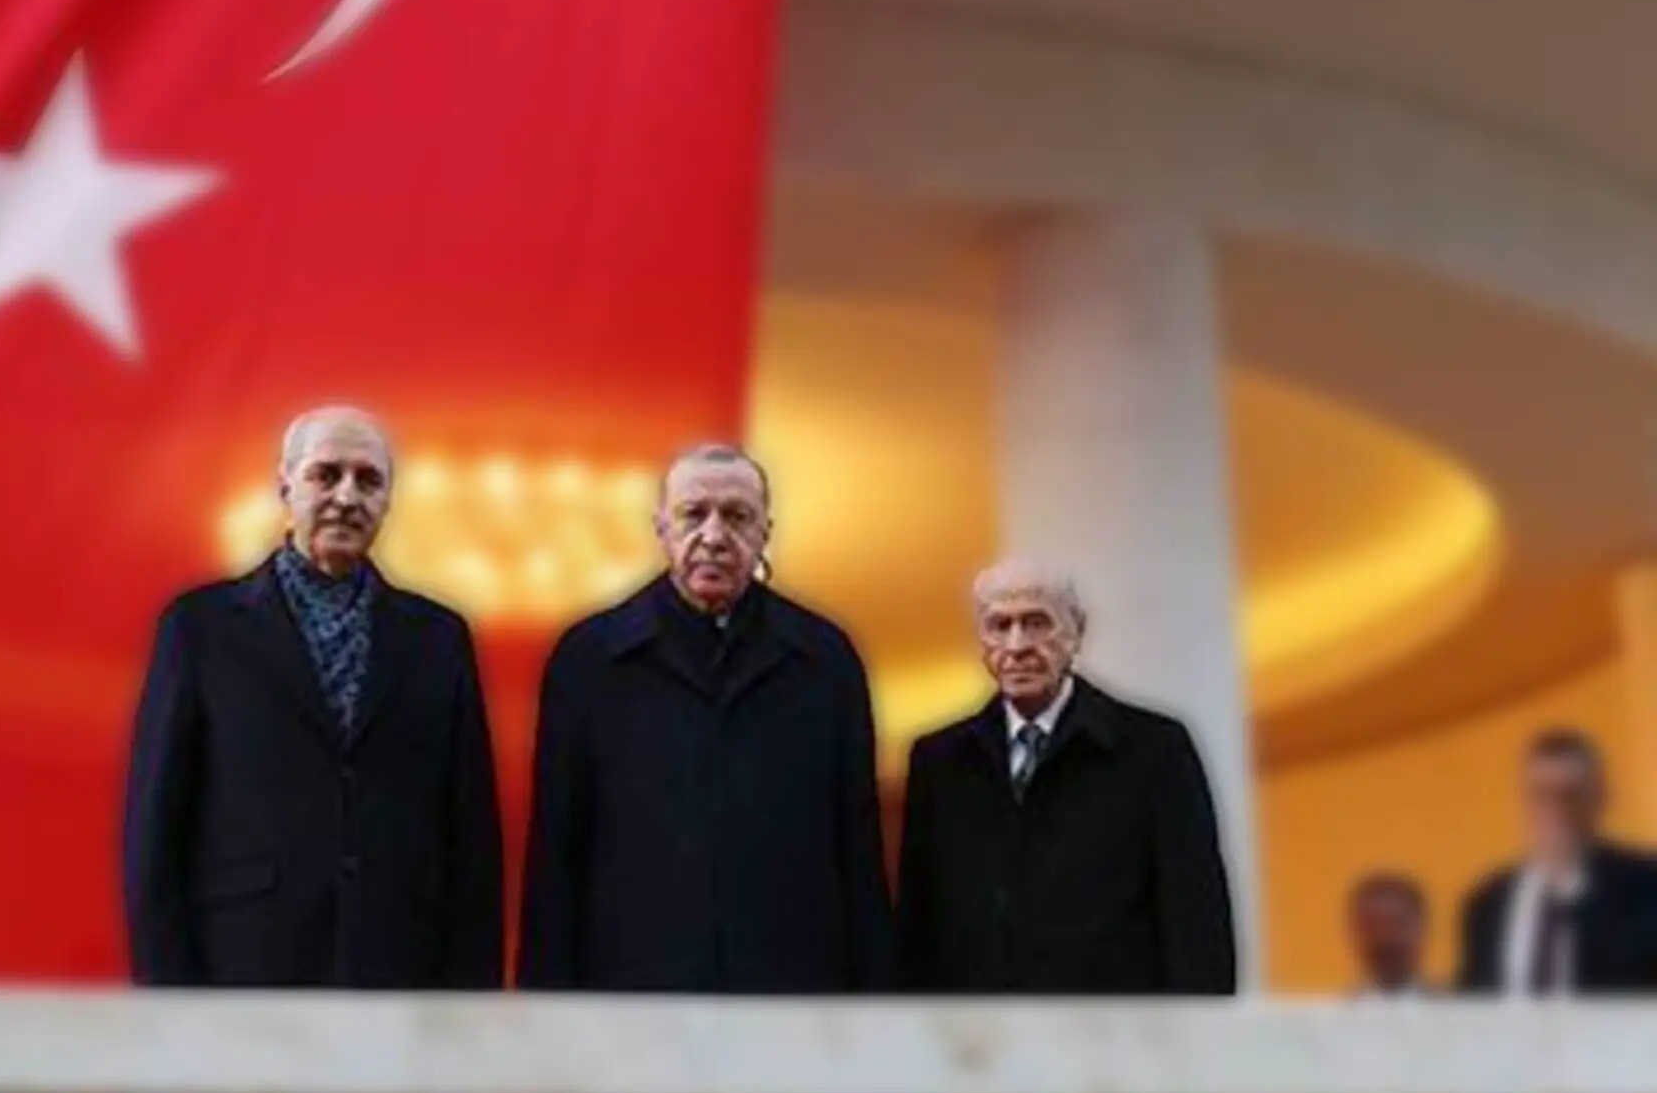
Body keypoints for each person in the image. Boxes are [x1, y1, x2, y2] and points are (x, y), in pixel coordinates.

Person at [122, 405, 503, 987]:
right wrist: (173, 1002)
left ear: (388, 502)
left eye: (368, 481)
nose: (346, 497)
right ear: (285, 487)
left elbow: (471, 840)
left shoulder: (437, 640)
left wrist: (468, 1002)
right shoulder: (201, 630)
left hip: (399, 975)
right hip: (244, 971)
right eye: (326, 475)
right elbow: (156, 828)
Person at [517, 441, 893, 992]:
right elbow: (557, 858)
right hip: (635, 990)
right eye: (694, 515)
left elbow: (858, 853)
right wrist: (546, 1008)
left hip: (790, 990)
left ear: (765, 532)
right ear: (661, 529)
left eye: (737, 517)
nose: (714, 537)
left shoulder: (823, 661)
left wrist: (875, 1006)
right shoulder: (590, 661)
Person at [896, 557, 1236, 994]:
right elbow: (918, 928)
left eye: (1037, 623)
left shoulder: (1154, 750)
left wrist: (1199, 1029)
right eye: (999, 625)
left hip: (1113, 1026)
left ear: (1076, 632)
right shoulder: (939, 763)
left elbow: (1196, 918)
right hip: (979, 1029)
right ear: (981, 640)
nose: (1017, 645)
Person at [1457, 729, 1657, 993]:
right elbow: (1472, 1003)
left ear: (1600, 798)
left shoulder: (1646, 890)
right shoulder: (1487, 904)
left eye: (1571, 794)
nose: (1556, 808)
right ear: (1525, 802)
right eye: (1541, 794)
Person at [1347, 872, 1434, 997]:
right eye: (1374, 925)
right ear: (1356, 931)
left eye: (1397, 923)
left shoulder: (1452, 1007)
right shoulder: (1334, 1008)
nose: (1386, 936)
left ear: (1421, 928)